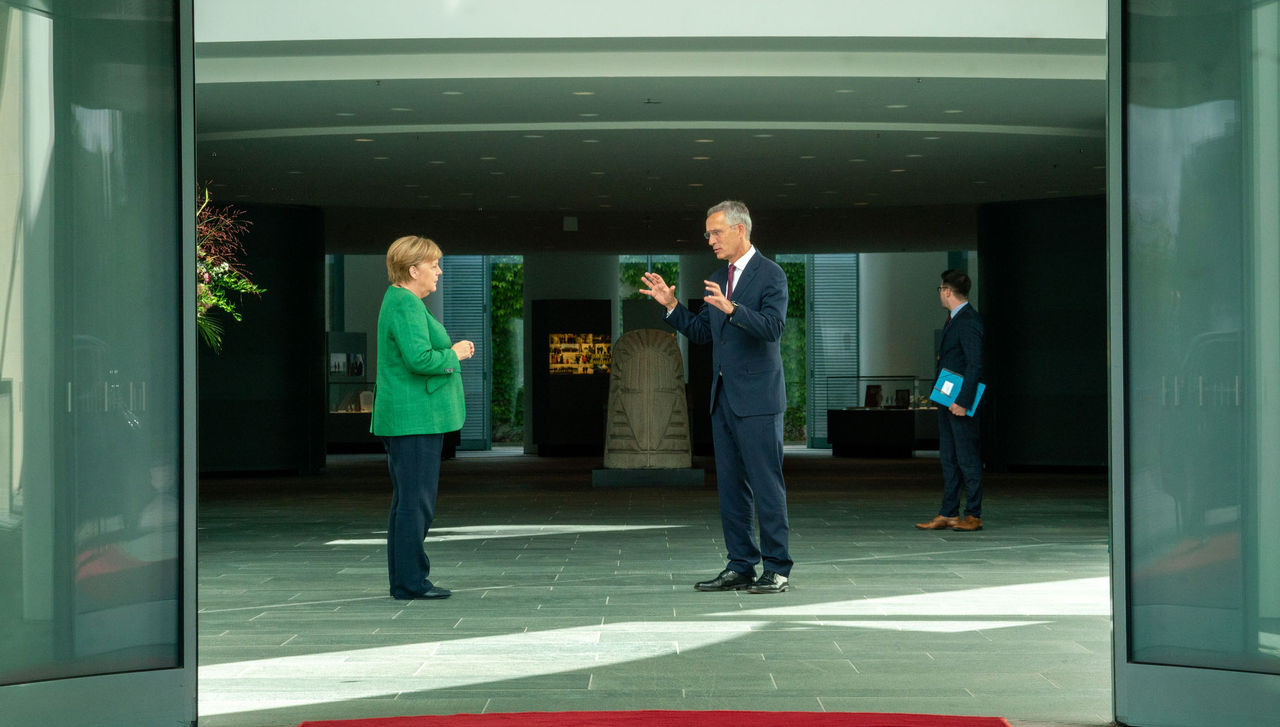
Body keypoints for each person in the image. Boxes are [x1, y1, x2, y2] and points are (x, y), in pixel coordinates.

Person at [639, 200, 792, 594]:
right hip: (723, 398)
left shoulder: (771, 274)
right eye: (707, 233)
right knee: (731, 487)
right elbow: (705, 333)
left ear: (741, 230)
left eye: (716, 232)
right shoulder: (716, 276)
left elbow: (773, 328)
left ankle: (777, 569)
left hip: (758, 400)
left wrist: (733, 308)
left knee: (766, 484)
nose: (710, 239)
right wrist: (671, 306)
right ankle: (741, 564)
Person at [371, 235, 475, 599]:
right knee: (416, 505)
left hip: (410, 420)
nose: (439, 272)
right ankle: (411, 582)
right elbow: (419, 360)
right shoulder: (406, 305)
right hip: (414, 420)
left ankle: (407, 580)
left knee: (408, 503)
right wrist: (455, 354)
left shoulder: (401, 301)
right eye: (433, 265)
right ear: (413, 270)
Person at [916, 269, 985, 532]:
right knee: (949, 457)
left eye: (940, 290)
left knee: (966, 458)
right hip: (947, 401)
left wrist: (963, 401)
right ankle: (949, 512)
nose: (940, 294)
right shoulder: (955, 319)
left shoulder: (968, 321)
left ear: (947, 290)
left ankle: (973, 514)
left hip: (960, 403)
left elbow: (975, 364)